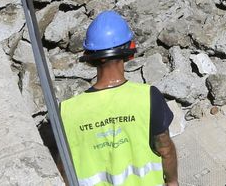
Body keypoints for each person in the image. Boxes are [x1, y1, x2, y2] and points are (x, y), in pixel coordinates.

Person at [60, 10, 179, 186]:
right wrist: (173, 182)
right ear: (129, 51)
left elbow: (64, 168)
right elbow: (164, 148)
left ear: (89, 57)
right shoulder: (147, 97)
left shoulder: (67, 111)